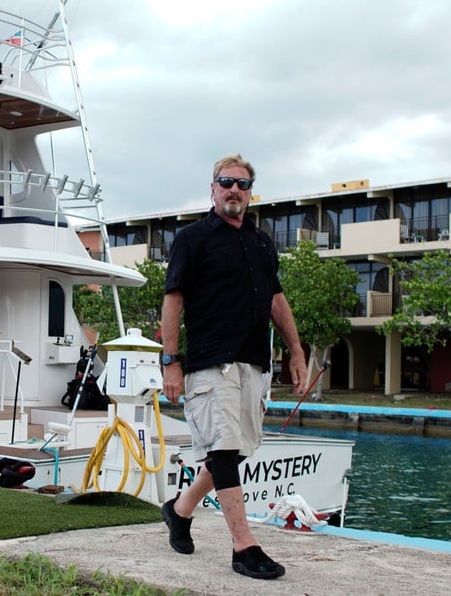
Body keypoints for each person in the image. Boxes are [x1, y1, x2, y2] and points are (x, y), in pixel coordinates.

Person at [159, 153, 307, 580]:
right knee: (223, 450)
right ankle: (244, 547)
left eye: (242, 184)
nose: (234, 190)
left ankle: (179, 510)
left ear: (250, 193)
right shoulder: (192, 238)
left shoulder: (261, 242)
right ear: (213, 189)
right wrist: (171, 361)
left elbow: (276, 299)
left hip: (254, 362)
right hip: (211, 362)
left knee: (235, 451)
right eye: (226, 182)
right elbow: (173, 301)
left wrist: (296, 350)